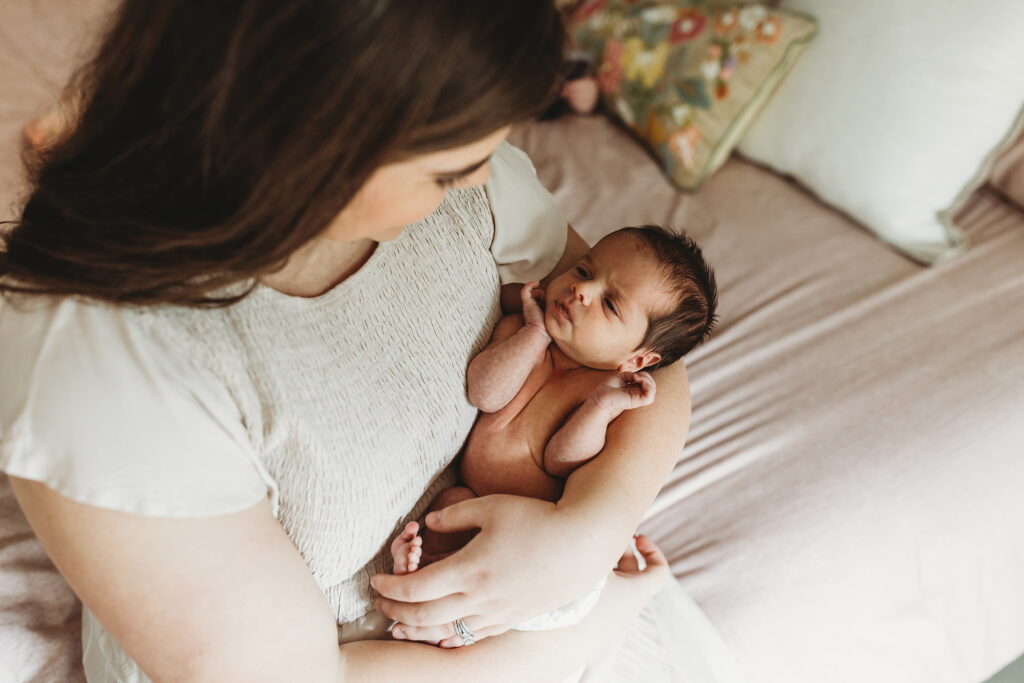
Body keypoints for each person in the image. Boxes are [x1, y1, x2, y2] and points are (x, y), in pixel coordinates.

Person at [0, 1, 701, 681]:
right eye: (447, 166)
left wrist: (586, 533)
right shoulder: (103, 369)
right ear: (325, 137)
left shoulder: (471, 195)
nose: (483, 174)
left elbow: (651, 363)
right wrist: (586, 621)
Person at [391, 225, 717, 578]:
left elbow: (559, 460)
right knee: (448, 509)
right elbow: (483, 393)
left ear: (637, 360)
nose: (582, 290)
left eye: (609, 304)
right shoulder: (523, 331)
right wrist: (534, 335)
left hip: (527, 528)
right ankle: (420, 571)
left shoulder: (601, 391)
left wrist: (601, 408)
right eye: (583, 270)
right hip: (470, 496)